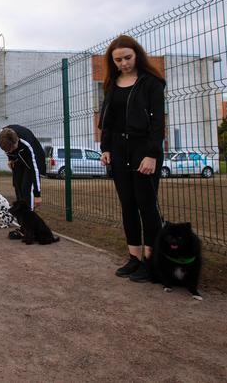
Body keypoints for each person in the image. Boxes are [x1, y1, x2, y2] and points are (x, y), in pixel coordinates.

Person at [98, 34, 166, 283]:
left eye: (127, 57)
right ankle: (134, 257)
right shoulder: (112, 84)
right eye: (118, 60)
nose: (123, 63)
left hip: (143, 149)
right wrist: (106, 148)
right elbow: (107, 120)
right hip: (118, 149)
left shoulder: (152, 83)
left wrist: (151, 154)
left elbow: (158, 124)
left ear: (137, 54)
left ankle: (151, 261)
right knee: (127, 205)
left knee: (146, 206)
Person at [0, 125, 46, 238]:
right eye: (8, 150)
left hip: (32, 162)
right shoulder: (2, 135)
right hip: (18, 160)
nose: (11, 151)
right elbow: (9, 149)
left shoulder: (27, 143)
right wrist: (10, 158)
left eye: (12, 148)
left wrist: (37, 194)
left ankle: (29, 228)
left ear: (17, 140)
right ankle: (22, 224)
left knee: (26, 189)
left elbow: (35, 170)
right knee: (17, 186)